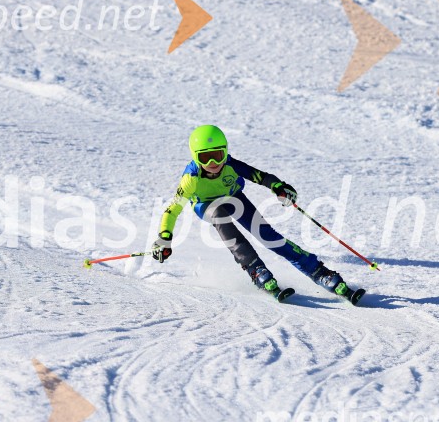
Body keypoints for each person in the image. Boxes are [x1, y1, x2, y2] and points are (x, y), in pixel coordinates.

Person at [152, 124, 354, 296]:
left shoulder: (231, 165)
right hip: (206, 205)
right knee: (219, 215)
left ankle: (319, 271)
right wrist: (164, 237)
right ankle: (255, 269)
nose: (213, 163)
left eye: (218, 155)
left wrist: (279, 187)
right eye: (206, 158)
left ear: (225, 151)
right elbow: (172, 210)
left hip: (233, 197)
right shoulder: (190, 179)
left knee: (267, 236)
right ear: (196, 158)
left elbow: (261, 176)